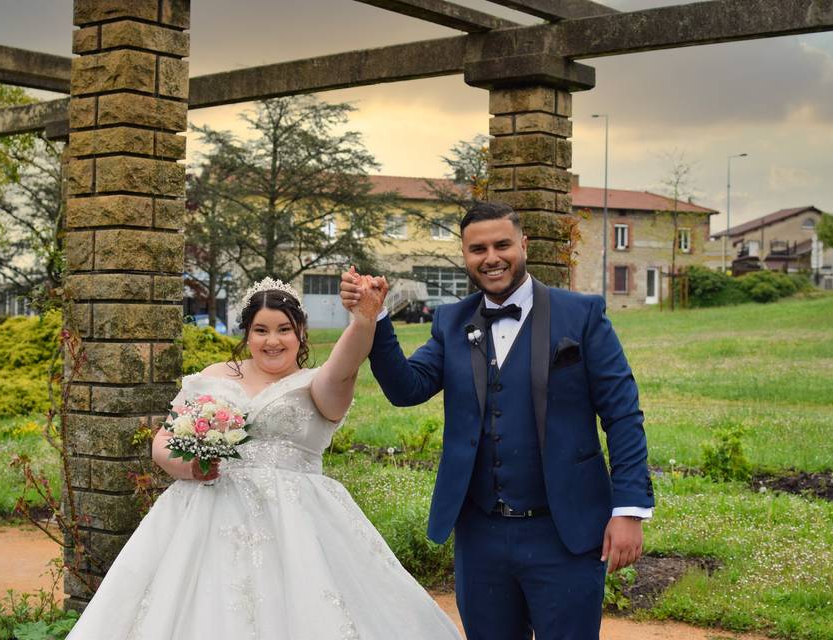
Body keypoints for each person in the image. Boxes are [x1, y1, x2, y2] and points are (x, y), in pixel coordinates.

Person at [66, 277, 462, 640]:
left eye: (284, 330)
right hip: (202, 513)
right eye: (261, 330)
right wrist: (188, 466)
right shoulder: (214, 375)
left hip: (297, 523)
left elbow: (347, 361)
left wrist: (363, 319)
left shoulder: (318, 384)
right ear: (247, 333)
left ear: (300, 332)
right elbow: (163, 441)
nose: (273, 341)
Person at [341, 202, 654, 640]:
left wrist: (629, 510)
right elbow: (407, 388)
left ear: (522, 244)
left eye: (502, 244)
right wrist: (375, 317)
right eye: (478, 249)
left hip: (565, 531)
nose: (491, 257)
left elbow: (622, 415)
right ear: (465, 255)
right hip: (480, 534)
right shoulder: (451, 322)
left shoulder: (581, 315)